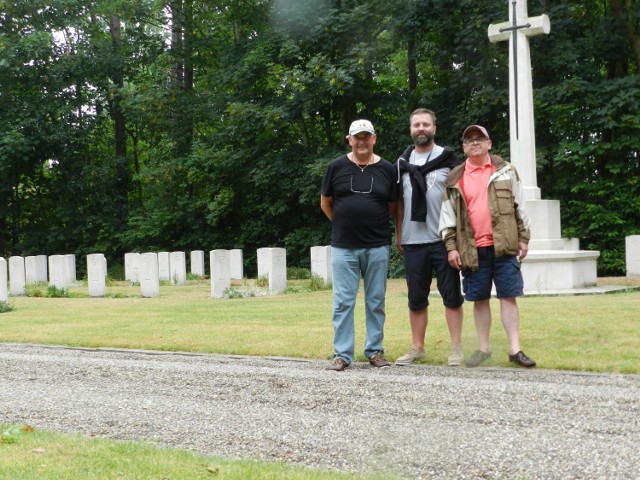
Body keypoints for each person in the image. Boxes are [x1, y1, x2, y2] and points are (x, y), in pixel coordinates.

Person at [439, 125, 536, 368]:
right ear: (463, 147)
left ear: (489, 143)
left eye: (479, 139)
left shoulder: (506, 171)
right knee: (479, 299)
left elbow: (520, 207)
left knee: (508, 297)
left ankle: (515, 349)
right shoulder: (455, 178)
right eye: (469, 140)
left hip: (504, 246)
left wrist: (523, 238)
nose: (474, 143)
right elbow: (447, 217)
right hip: (471, 249)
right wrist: (451, 247)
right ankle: (483, 348)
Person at [320, 119, 397, 371]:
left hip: (377, 246)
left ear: (374, 139)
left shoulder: (387, 168)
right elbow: (326, 202)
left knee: (375, 300)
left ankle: (375, 351)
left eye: (367, 137)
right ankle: (342, 354)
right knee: (343, 302)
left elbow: (393, 206)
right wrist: (342, 223)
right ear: (349, 140)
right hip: (344, 247)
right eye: (357, 137)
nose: (362, 141)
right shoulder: (336, 166)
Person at [393, 108, 465, 367]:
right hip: (413, 242)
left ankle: (456, 348)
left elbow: (461, 201)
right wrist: (399, 232)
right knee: (416, 298)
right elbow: (398, 201)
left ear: (434, 128)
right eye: (416, 125)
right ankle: (418, 347)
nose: (420, 128)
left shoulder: (449, 160)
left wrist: (458, 239)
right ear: (410, 129)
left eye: (425, 124)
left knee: (452, 296)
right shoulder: (401, 164)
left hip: (443, 240)